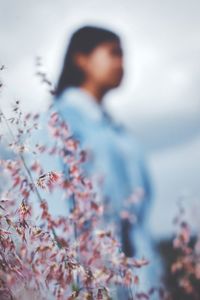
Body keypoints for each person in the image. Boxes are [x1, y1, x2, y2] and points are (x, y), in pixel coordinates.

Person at [29, 25, 161, 298]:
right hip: (97, 284)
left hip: (138, 283)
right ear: (82, 59)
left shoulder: (117, 131)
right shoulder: (59, 123)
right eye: (113, 53)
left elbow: (139, 221)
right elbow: (53, 216)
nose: (121, 63)